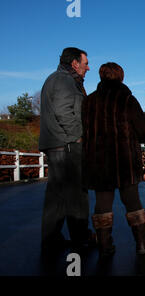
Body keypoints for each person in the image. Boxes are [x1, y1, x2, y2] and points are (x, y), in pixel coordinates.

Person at [82, 62, 145, 257]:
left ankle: (104, 245)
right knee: (132, 201)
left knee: (102, 203)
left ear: (101, 77)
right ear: (121, 77)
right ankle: (142, 244)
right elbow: (143, 130)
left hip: (99, 162)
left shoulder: (89, 101)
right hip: (125, 161)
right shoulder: (127, 99)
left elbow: (85, 130)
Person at [39, 47, 95, 253]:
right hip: (66, 144)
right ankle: (80, 237)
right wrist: (78, 136)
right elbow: (64, 112)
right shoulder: (64, 80)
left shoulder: (55, 79)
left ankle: (51, 238)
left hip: (57, 143)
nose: (88, 67)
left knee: (57, 196)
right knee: (77, 193)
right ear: (74, 63)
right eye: (85, 63)